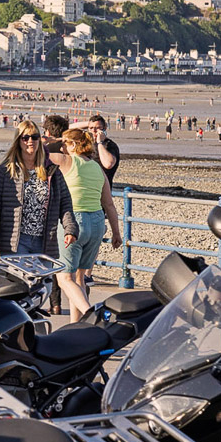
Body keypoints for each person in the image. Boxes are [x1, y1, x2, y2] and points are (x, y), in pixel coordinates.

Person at [0, 120, 85, 316]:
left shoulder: (50, 171)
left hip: (43, 241)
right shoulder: (7, 170)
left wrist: (70, 229)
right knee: (19, 289)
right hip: (16, 240)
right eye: (25, 137)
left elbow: (65, 203)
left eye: (34, 137)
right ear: (18, 141)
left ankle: (34, 332)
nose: (30, 141)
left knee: (41, 290)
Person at [61, 128, 124, 311]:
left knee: (65, 278)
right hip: (96, 223)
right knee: (79, 279)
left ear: (73, 145)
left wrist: (52, 140)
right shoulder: (97, 167)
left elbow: (44, 152)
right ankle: (77, 327)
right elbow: (109, 204)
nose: (62, 146)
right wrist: (116, 232)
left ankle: (90, 313)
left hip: (74, 221)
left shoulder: (68, 161)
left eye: (65, 143)